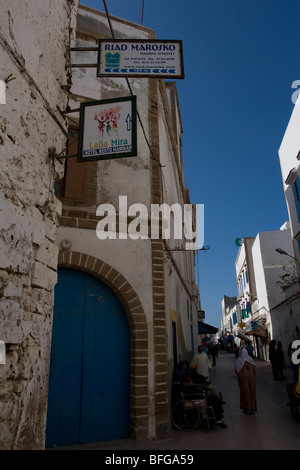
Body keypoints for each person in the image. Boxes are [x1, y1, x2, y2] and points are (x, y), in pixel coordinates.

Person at [235, 348, 257, 414]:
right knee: (252, 393)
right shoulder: (251, 360)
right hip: (251, 382)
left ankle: (246, 407)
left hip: (243, 382)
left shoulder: (239, 361)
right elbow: (255, 370)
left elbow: (237, 370)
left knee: (245, 393)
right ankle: (252, 408)